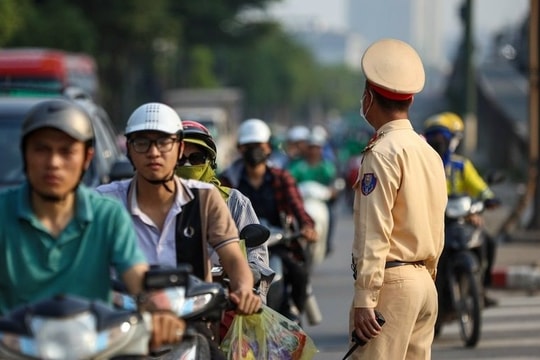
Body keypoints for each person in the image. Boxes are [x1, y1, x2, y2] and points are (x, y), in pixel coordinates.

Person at [0, 99, 185, 350]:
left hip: (93, 349)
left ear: (87, 158)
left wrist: (161, 311)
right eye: (41, 149)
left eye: (66, 151)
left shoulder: (107, 215)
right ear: (25, 154)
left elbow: (136, 275)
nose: (54, 162)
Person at [96, 103, 260, 358]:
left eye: (163, 142)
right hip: (121, 330)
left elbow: (233, 256)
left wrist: (244, 290)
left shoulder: (206, 199)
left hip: (192, 328)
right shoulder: (103, 202)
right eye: (142, 143)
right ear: (128, 149)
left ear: (179, 148)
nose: (153, 153)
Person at [349, 39, 447, 359]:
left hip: (393, 284)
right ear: (411, 100)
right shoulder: (428, 153)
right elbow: (437, 226)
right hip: (424, 284)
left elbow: (374, 231)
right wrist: (426, 278)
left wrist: (365, 296)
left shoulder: (381, 153)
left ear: (369, 95)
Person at [219, 118, 318, 322]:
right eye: (249, 146)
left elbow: (297, 207)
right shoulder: (227, 181)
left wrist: (307, 226)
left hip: (278, 244)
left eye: (259, 146)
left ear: (269, 148)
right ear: (239, 148)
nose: (254, 151)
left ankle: (293, 315)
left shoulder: (282, 179)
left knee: (299, 272)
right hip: (238, 249)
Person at [423, 111, 501, 307]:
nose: (437, 143)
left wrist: (486, 201)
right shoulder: (422, 165)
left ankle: (482, 288)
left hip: (462, 219)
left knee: (488, 242)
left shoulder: (461, 165)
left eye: (442, 138)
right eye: (433, 138)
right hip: (433, 223)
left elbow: (480, 188)